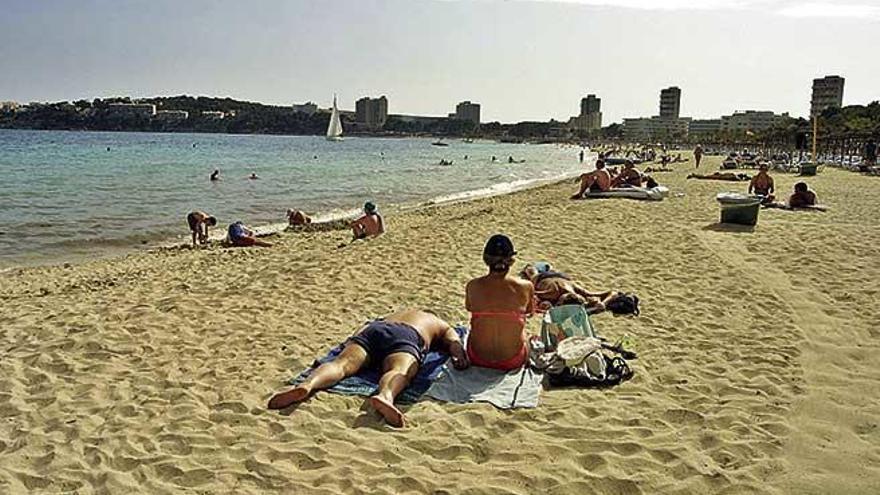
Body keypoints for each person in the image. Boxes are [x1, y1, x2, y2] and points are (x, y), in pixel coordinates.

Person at [267, 309, 467, 427]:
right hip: (407, 335)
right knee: (399, 371)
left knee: (341, 365)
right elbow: (453, 340)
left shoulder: (394, 314)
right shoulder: (436, 322)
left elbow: (361, 329)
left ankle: (307, 384)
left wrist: (350, 344)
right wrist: (457, 353)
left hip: (374, 330)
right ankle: (386, 396)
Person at [465, 235, 535, 371]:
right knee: (524, 333)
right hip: (512, 360)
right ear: (511, 260)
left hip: (477, 358)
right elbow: (529, 312)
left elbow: (469, 307)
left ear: (486, 259)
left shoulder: (472, 286)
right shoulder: (525, 286)